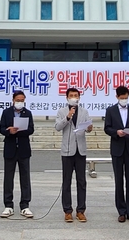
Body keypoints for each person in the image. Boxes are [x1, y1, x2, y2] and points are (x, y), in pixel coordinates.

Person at [55, 87, 94, 223]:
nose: (73, 97)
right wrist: (68, 117)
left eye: (76, 95)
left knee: (81, 181)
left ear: (79, 97)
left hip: (80, 150)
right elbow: (58, 127)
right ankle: (67, 211)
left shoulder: (84, 111)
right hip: (67, 151)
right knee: (66, 182)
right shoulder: (62, 111)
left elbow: (88, 127)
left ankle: (81, 210)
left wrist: (89, 128)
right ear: (67, 98)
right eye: (71, 95)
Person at [104, 86, 129, 223]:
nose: (124, 100)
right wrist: (116, 132)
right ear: (117, 97)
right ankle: (121, 210)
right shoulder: (111, 111)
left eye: (126, 98)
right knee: (119, 180)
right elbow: (107, 128)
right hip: (117, 149)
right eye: (122, 98)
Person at [0, 90, 35, 219]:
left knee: (25, 177)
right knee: (8, 178)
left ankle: (25, 205)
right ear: (13, 100)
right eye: (18, 100)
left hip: (24, 149)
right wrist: (9, 131)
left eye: (22, 100)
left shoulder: (28, 113)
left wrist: (19, 131)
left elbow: (31, 129)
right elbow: (1, 129)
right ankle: (8, 205)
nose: (20, 102)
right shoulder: (6, 112)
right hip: (10, 148)